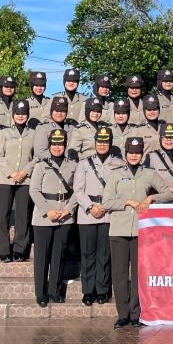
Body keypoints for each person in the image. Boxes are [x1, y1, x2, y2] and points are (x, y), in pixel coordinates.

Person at [102, 137, 173, 328]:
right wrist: (127, 202)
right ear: (125, 154)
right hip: (119, 229)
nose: (134, 155)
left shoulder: (149, 174)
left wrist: (151, 197)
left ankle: (136, 312)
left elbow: (168, 193)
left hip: (142, 230)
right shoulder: (115, 175)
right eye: (131, 152)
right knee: (119, 273)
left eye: (137, 153)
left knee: (138, 272)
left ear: (142, 155)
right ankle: (122, 313)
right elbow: (106, 202)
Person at [72, 125, 122, 305]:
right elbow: (77, 190)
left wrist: (106, 206)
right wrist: (90, 207)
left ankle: (103, 289)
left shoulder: (119, 163)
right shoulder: (84, 163)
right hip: (88, 213)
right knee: (88, 254)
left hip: (108, 213)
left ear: (110, 143)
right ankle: (88, 290)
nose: (102, 145)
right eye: (99, 142)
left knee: (104, 254)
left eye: (105, 142)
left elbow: (119, 190)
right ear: (95, 143)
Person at [29, 128, 77, 307]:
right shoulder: (41, 165)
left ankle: (55, 291)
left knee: (59, 254)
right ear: (49, 145)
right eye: (54, 144)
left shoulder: (72, 165)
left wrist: (68, 209)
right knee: (42, 256)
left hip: (64, 215)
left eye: (61, 144)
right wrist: (47, 210)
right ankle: (41, 293)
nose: (58, 147)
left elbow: (76, 191)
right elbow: (34, 190)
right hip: (44, 216)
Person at [0, 100, 34, 262]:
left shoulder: (33, 133)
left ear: (27, 115)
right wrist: (11, 173)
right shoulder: (4, 133)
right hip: (5, 179)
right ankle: (4, 249)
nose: (20, 116)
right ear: (13, 115)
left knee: (23, 215)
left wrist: (24, 172)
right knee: (3, 214)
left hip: (25, 179)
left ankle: (20, 249)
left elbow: (37, 156)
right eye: (18, 113)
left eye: (23, 114)